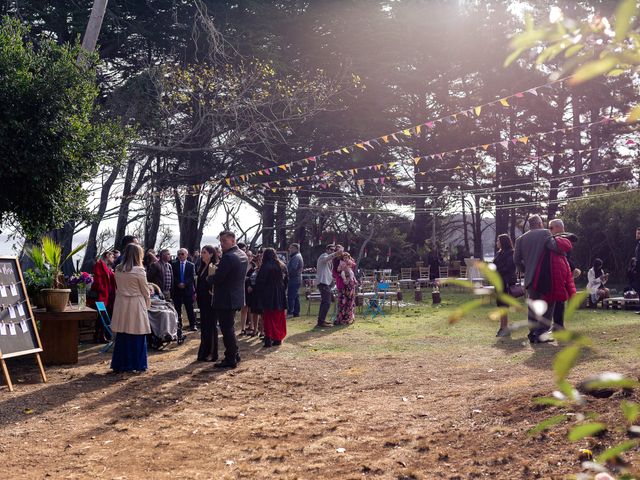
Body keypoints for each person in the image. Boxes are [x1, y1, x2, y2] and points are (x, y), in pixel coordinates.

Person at [514, 214, 562, 344]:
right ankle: (542, 334)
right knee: (548, 306)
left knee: (532, 307)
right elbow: (555, 248)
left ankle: (533, 333)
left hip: (530, 279)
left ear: (530, 225)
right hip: (545, 277)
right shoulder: (545, 233)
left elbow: (516, 260)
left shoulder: (520, 239)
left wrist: (526, 269)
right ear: (540, 223)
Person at [110, 244, 151, 373]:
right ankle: (137, 364)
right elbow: (145, 291)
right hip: (135, 302)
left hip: (121, 302)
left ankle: (120, 363)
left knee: (123, 333)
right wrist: (148, 300)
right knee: (137, 332)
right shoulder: (139, 271)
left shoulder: (118, 269)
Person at [210, 231, 248, 369]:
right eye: (221, 241)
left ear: (233, 241)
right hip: (236, 297)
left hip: (226, 298)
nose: (222, 244)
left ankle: (230, 357)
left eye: (224, 241)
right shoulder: (242, 254)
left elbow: (219, 278)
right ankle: (234, 354)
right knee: (229, 328)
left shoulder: (229, 257)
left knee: (227, 329)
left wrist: (209, 278)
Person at [548, 219, 580, 331]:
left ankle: (558, 325)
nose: (549, 230)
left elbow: (566, 258)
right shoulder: (563, 239)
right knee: (559, 300)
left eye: (551, 228)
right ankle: (558, 324)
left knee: (559, 300)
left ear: (557, 227)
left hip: (562, 274)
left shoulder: (562, 240)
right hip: (564, 273)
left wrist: (572, 268)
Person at [255, 248, 288, 347]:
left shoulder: (265, 266)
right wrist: (282, 290)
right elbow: (286, 280)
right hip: (280, 293)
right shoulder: (282, 266)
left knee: (269, 317)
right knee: (279, 316)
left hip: (268, 294)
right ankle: (278, 338)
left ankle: (268, 338)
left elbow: (260, 281)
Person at [196, 245, 219, 362]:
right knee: (204, 327)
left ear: (211, 254)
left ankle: (212, 352)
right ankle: (204, 351)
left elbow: (214, 284)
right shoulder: (202, 267)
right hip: (202, 300)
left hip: (210, 301)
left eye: (204, 252)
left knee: (211, 326)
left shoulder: (213, 267)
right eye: (202, 252)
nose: (202, 254)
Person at [493, 234, 517, 338]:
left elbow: (509, 267)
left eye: (498, 240)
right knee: (500, 305)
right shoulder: (499, 253)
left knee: (504, 305)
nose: (496, 242)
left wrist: (497, 270)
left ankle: (504, 328)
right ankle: (503, 327)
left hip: (505, 282)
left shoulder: (511, 253)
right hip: (498, 281)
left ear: (503, 242)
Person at [315, 244, 343, 327]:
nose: (333, 251)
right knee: (326, 302)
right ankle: (321, 322)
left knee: (326, 302)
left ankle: (321, 320)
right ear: (327, 249)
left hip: (326, 283)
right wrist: (336, 253)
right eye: (331, 249)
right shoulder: (323, 256)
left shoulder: (330, 259)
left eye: (334, 250)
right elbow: (327, 258)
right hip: (322, 282)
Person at [172, 248, 197, 331]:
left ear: (186, 255)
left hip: (187, 290)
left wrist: (184, 284)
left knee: (190, 308)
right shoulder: (174, 264)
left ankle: (193, 325)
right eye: (179, 254)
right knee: (177, 309)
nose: (180, 256)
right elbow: (173, 277)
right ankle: (179, 325)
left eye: (182, 254)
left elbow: (192, 277)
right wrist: (178, 283)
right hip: (177, 290)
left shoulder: (191, 265)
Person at [89, 250, 116, 315]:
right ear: (107, 256)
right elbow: (98, 278)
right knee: (101, 313)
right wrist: (101, 288)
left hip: (108, 295)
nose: (113, 259)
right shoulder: (99, 264)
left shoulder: (108, 268)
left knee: (106, 313)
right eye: (112, 256)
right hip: (101, 295)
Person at [335, 252, 357, 325]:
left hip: (350, 283)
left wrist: (348, 266)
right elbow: (338, 270)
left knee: (350, 300)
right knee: (343, 301)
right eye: (344, 257)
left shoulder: (350, 262)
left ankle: (349, 317)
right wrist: (341, 268)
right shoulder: (340, 262)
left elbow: (353, 265)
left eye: (346, 257)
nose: (345, 258)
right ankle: (342, 317)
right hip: (343, 284)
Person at [286, 243, 304, 318]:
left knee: (291, 296)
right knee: (295, 296)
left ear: (296, 249)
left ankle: (290, 312)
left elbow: (293, 268)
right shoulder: (296, 256)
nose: (289, 250)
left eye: (291, 248)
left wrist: (286, 274)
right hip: (296, 279)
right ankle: (296, 312)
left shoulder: (296, 257)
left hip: (294, 279)